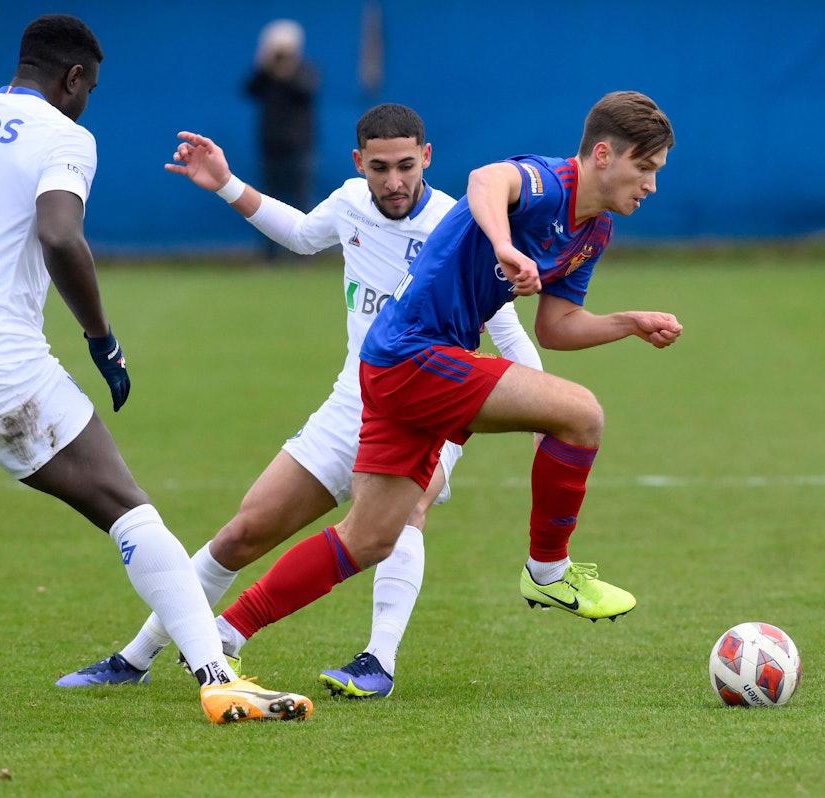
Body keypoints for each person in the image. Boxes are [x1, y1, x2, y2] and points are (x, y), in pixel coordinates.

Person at [0, 14, 310, 724]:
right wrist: (101, 339)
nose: (87, 100)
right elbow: (60, 232)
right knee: (126, 506)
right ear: (73, 79)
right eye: (89, 88)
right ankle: (217, 674)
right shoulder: (64, 135)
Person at [56, 103, 544, 699]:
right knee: (243, 532)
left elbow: (511, 335)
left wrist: (544, 410)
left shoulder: (460, 226)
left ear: (428, 159)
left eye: (407, 166)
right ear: (359, 162)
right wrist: (227, 184)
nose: (394, 181)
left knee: (403, 516)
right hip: (351, 403)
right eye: (380, 167)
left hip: (429, 405)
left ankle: (377, 661)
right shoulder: (348, 203)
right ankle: (136, 658)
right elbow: (302, 235)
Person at [203, 91, 681, 694]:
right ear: (605, 155)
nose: (652, 185)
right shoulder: (548, 182)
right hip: (413, 354)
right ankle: (548, 571)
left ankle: (225, 636)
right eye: (647, 168)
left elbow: (554, 329)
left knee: (372, 537)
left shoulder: (594, 231)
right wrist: (506, 247)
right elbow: (486, 179)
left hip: (404, 366)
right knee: (582, 414)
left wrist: (628, 322)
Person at [244, 19, 320, 259]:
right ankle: (270, 256)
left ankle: (302, 257)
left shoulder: (305, 70)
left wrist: (287, 68)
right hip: (271, 147)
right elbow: (249, 89)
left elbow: (305, 91)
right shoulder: (266, 76)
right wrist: (264, 63)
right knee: (266, 202)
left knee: (300, 200)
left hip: (300, 147)